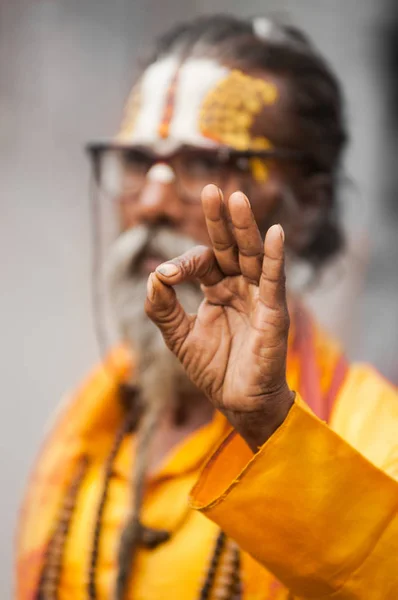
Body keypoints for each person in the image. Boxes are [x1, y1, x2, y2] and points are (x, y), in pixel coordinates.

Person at [16, 14, 398, 600]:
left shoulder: (377, 436)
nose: (150, 203)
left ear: (306, 205)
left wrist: (269, 426)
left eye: (200, 164)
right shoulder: (87, 420)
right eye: (138, 162)